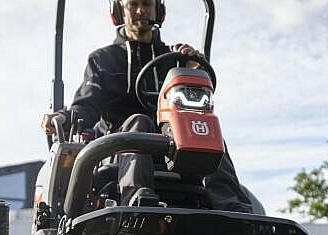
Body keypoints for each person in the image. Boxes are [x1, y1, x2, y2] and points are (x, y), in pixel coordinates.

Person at [41, 0, 252, 213]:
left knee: (205, 128)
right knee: (139, 121)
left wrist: (193, 70)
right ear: (118, 12)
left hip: (172, 146)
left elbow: (195, 105)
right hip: (117, 146)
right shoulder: (102, 60)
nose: (141, 10)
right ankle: (136, 198)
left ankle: (233, 208)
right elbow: (87, 106)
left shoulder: (175, 59)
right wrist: (64, 116)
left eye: (147, 4)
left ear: (158, 11)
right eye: (133, 5)